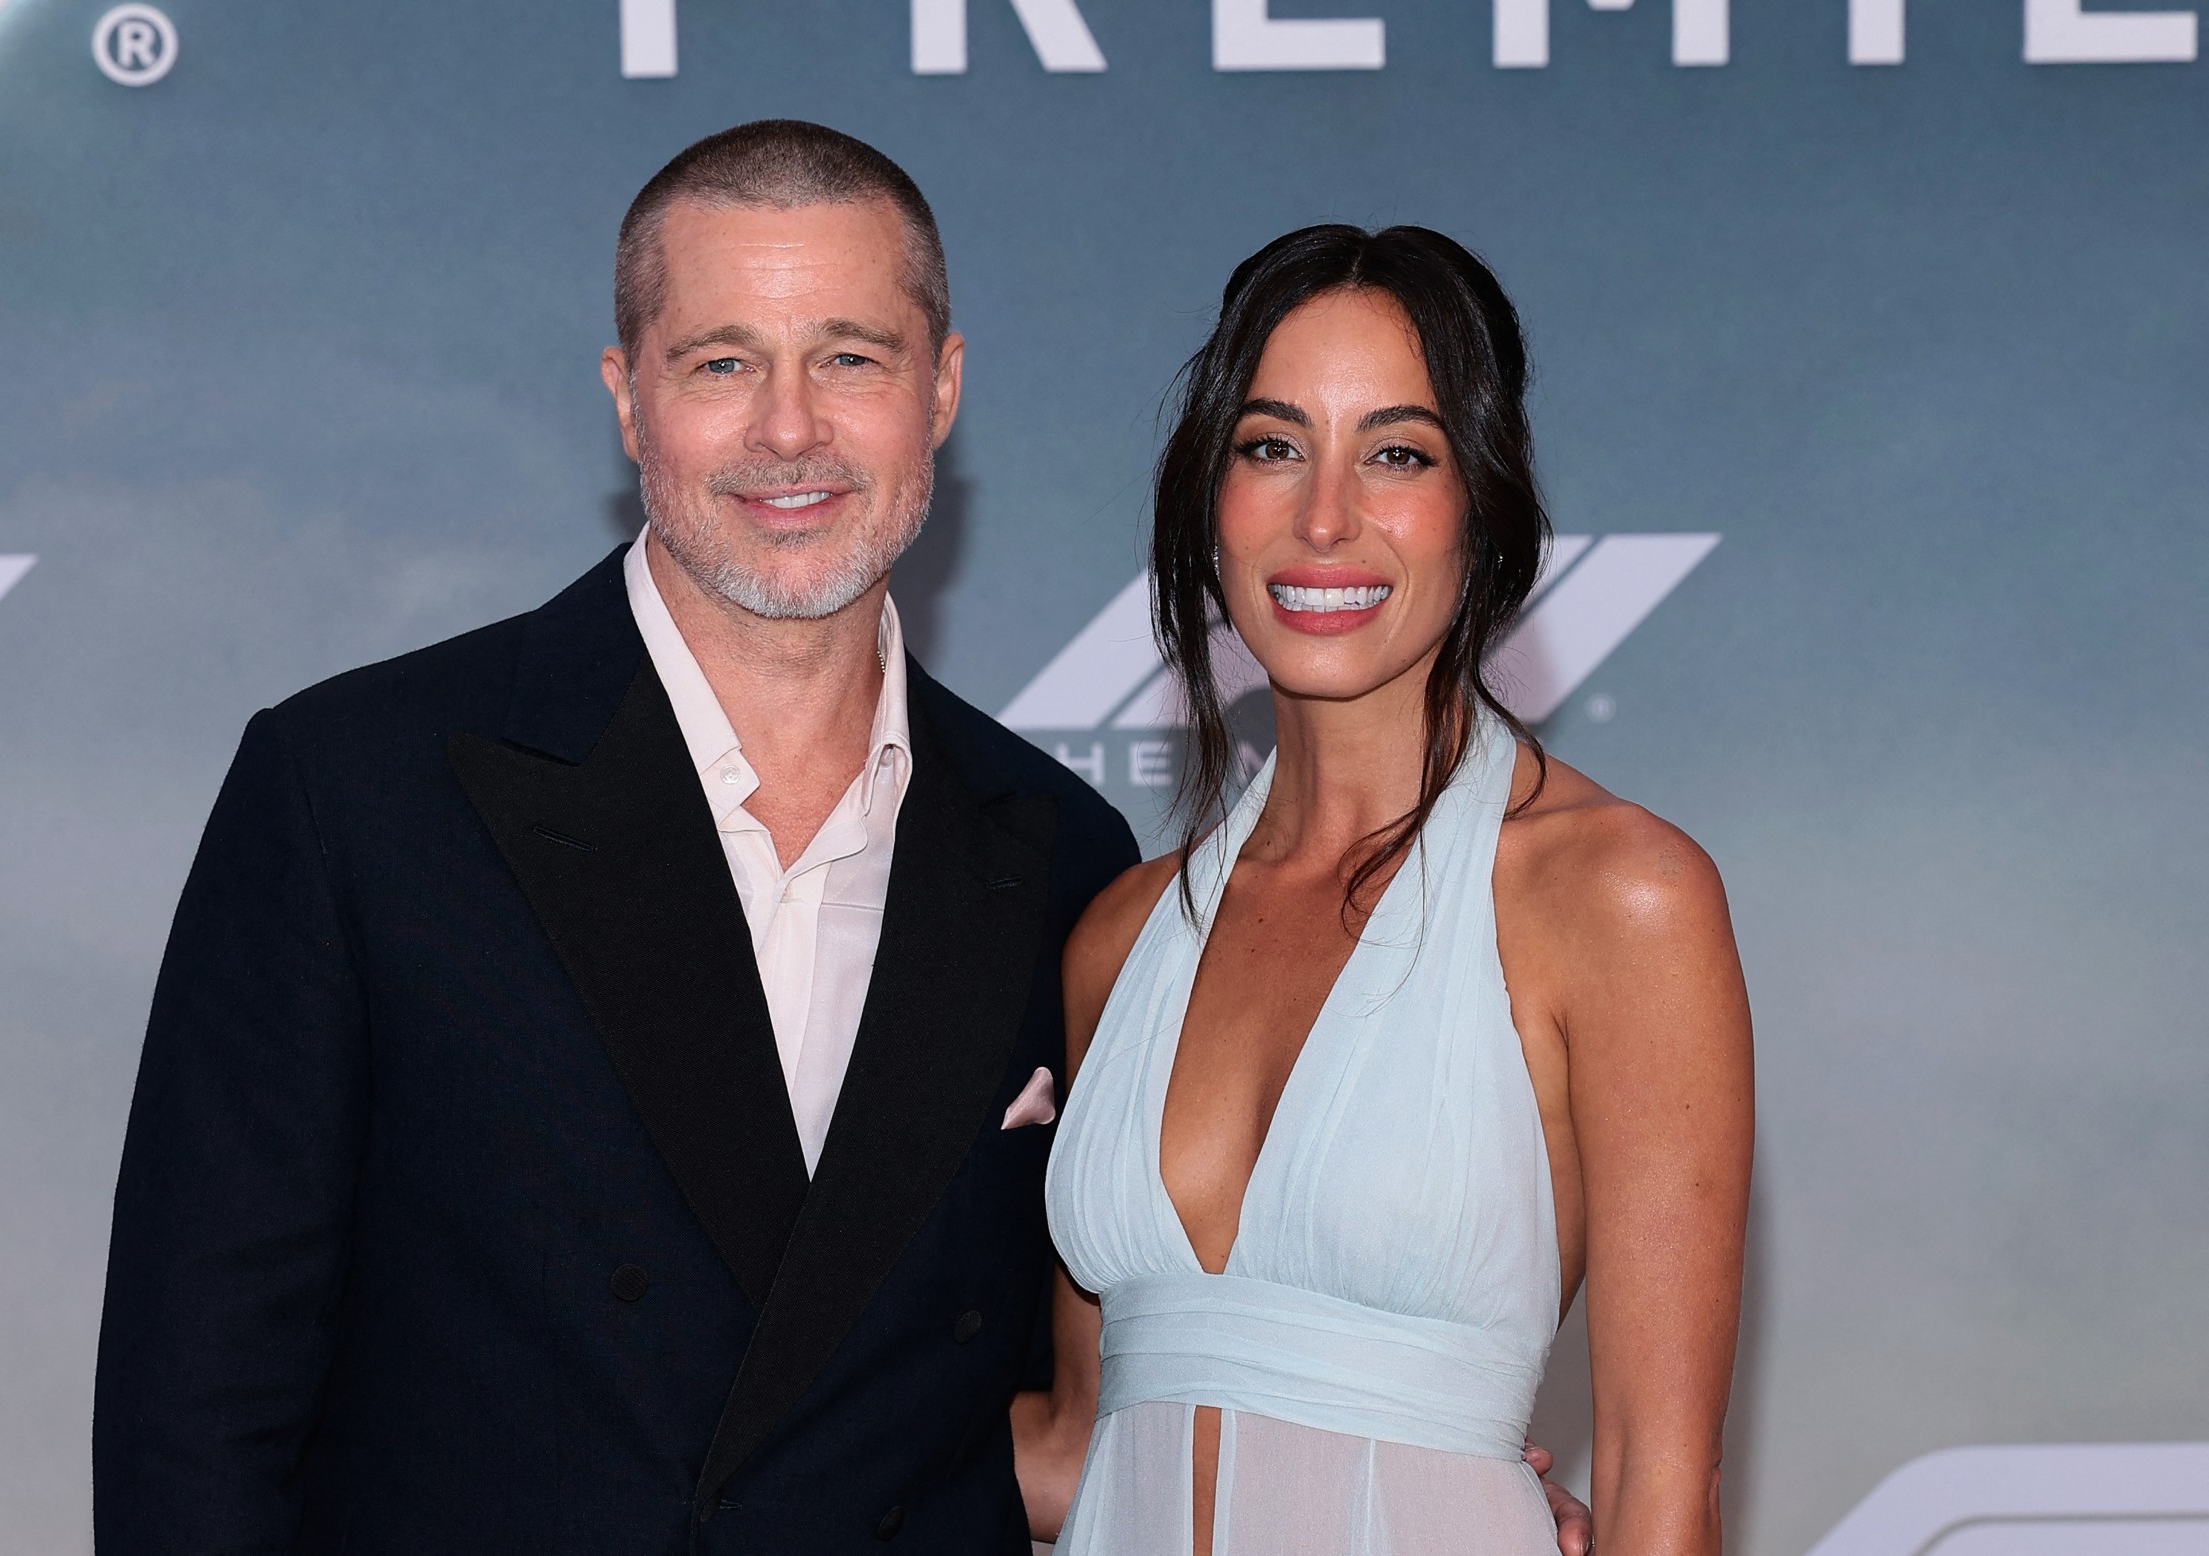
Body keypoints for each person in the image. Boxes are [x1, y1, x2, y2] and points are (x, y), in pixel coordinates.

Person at [93, 120, 1595, 1554]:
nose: (789, 428)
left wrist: (1391, 1469)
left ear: (940, 389)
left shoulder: (1063, 864)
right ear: (628, 397)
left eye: (851, 358)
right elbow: (195, 1409)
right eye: (722, 361)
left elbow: (1064, 1406)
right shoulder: (357, 792)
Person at [1016, 225, 1754, 1555]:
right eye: (1272, 445)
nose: (1324, 516)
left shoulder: (1618, 897)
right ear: (1208, 502)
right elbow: (1074, 1452)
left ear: (1485, 505)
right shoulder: (1119, 942)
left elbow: (1660, 1481)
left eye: (1398, 453)